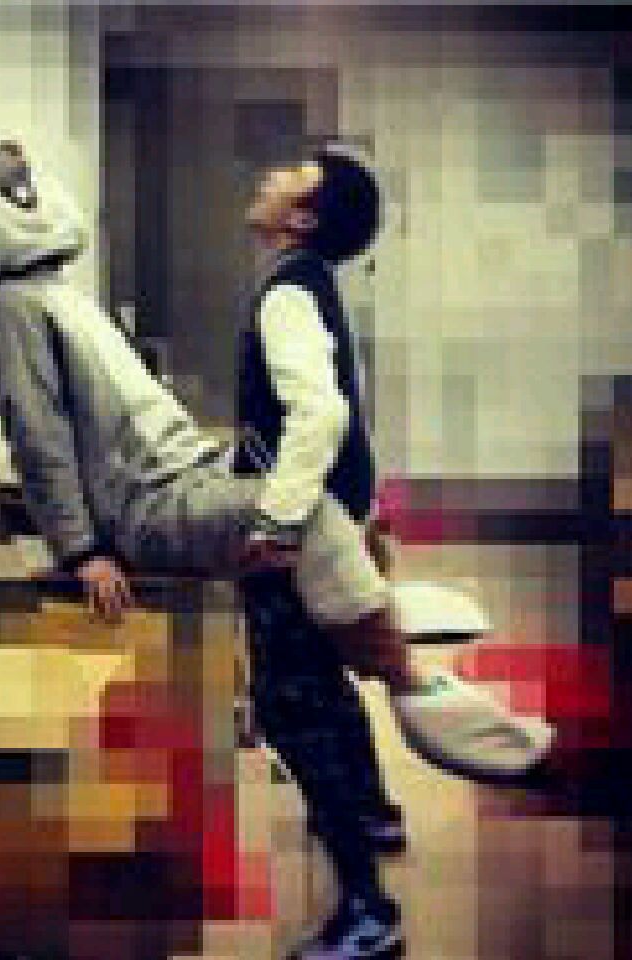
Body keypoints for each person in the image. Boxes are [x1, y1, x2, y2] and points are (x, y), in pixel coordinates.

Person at [0, 95, 556, 942]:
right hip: (150, 510)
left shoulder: (52, 295)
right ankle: (411, 702)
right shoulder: (8, 315)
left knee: (303, 670)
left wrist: (241, 484)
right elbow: (38, 439)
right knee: (312, 571)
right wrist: (83, 550)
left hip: (190, 479)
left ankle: (375, 804)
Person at [233, 146, 405, 957]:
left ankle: (367, 910)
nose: (271, 177)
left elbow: (321, 416)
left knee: (289, 702)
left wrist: (274, 522)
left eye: (291, 178)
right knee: (323, 681)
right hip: (333, 515)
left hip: (304, 532)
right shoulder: (310, 283)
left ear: (301, 218)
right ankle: (371, 810)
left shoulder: (287, 293)